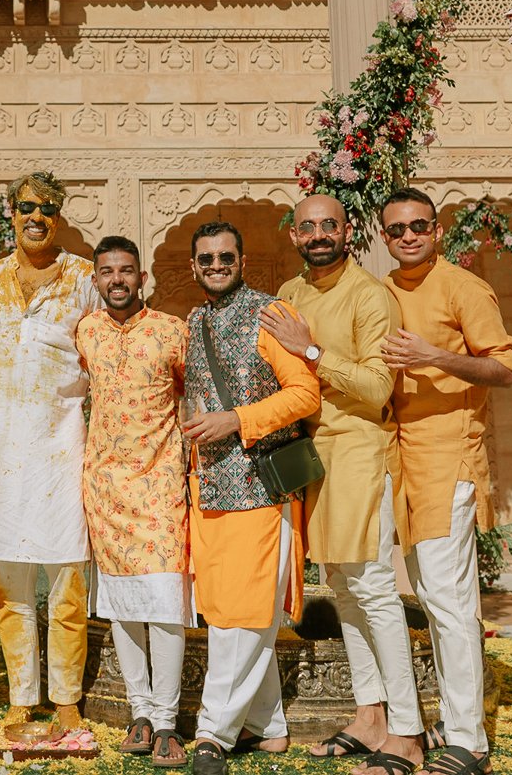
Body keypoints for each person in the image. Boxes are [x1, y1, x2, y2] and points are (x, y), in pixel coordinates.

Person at [263, 195, 420, 768]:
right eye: (308, 227)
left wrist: (308, 348)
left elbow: (378, 387)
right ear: (295, 237)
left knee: (375, 587)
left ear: (348, 230)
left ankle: (407, 730)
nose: (319, 234)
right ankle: (370, 713)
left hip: (357, 448)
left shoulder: (369, 294)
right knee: (344, 589)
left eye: (330, 224)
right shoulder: (289, 295)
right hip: (312, 455)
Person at [377, 188, 512, 775]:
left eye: (418, 226)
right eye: (396, 229)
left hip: (447, 457)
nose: (408, 236)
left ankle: (469, 741)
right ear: (383, 237)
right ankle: (452, 720)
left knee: (450, 599)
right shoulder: (381, 291)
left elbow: (504, 368)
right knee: (426, 597)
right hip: (397, 458)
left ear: (437, 230)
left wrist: (434, 355)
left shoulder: (464, 287)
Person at [182, 222, 321, 775]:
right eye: (207, 259)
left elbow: (306, 393)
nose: (217, 266)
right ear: (194, 266)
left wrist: (236, 420)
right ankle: (269, 727)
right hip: (209, 488)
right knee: (226, 610)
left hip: (260, 487)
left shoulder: (270, 315)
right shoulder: (195, 321)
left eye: (226, 257)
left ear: (242, 260)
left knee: (242, 613)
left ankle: (214, 732)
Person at [0, 171, 101, 730]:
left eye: (47, 208)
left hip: (61, 450)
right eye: (26, 207)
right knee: (8, 584)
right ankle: (24, 692)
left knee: (67, 579)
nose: (36, 217)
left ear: (59, 214)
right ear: (11, 212)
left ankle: (66, 695)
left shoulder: (85, 278)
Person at [76, 237, 191, 769]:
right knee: (123, 606)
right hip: (105, 490)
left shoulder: (171, 331)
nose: (117, 280)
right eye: (107, 272)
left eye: (126, 271)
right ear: (96, 279)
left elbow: (193, 394)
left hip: (161, 486)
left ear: (142, 277)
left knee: (165, 603)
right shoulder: (86, 331)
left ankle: (167, 721)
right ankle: (140, 714)